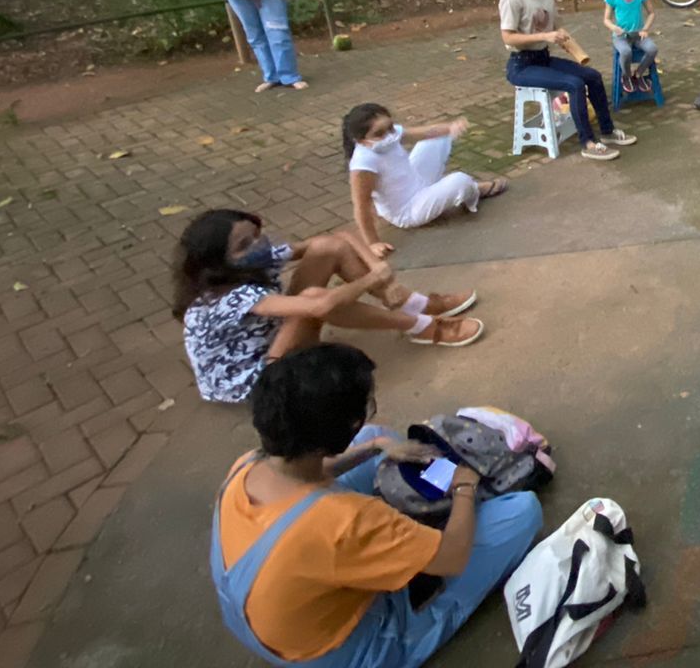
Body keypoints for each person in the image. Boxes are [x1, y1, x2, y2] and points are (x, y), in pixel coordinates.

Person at [211, 344, 543, 667]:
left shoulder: (247, 465)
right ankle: (421, 607)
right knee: (522, 512)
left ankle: (403, 520)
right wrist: (465, 486)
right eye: (366, 405)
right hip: (350, 652)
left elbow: (313, 475)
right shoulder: (346, 520)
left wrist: (376, 446)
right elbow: (452, 557)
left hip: (273, 623)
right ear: (347, 423)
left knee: (380, 435)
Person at [175, 212, 484, 403]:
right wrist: (371, 279)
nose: (258, 244)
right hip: (260, 377)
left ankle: (414, 304)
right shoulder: (224, 295)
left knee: (327, 251)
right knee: (316, 299)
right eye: (244, 245)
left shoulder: (253, 260)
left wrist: (381, 272)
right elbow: (320, 304)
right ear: (219, 263)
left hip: (270, 338)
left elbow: (337, 240)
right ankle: (421, 325)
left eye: (255, 234)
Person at [500, 0, 636, 160]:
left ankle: (608, 131)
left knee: (593, 76)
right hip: (522, 65)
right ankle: (588, 143)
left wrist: (563, 37)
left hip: (543, 57)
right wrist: (544, 36)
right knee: (574, 84)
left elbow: (554, 26)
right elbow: (508, 36)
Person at [345, 104, 507, 249]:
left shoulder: (390, 136)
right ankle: (475, 190)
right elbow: (361, 206)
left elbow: (424, 133)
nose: (389, 135)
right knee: (460, 180)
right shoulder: (363, 164)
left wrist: (450, 127)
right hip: (408, 209)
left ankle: (450, 191)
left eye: (390, 127)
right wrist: (373, 243)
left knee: (435, 139)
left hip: (417, 181)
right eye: (379, 133)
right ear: (361, 140)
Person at [603, 0, 658, 91]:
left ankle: (638, 74)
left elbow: (652, 13)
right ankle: (626, 76)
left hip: (638, 35)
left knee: (652, 49)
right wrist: (614, 28)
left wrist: (645, 29)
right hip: (621, 36)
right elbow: (606, 19)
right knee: (626, 52)